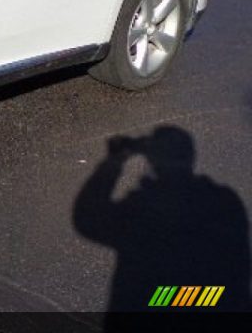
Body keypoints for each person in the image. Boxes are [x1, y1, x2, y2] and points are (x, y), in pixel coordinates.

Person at [73, 126, 251, 312]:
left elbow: (88, 218)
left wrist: (114, 161)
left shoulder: (148, 208)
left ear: (153, 160)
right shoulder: (223, 202)